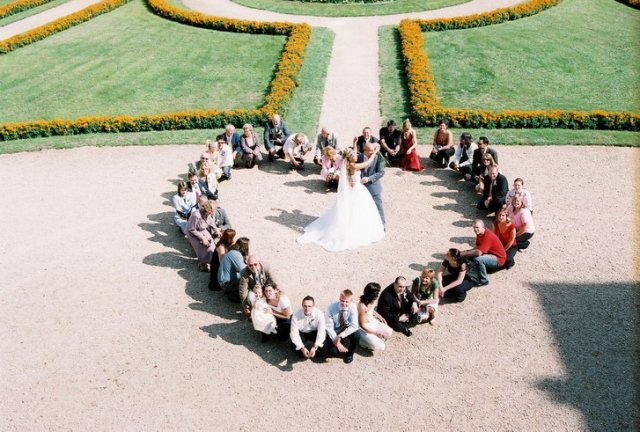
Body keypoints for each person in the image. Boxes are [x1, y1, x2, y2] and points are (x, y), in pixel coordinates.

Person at [297, 147, 384, 251]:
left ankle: (354, 226)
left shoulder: (347, 163)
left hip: (353, 188)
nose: (357, 156)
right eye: (354, 155)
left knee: (353, 210)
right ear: (350, 158)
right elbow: (367, 163)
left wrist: (354, 143)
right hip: (357, 189)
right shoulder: (353, 165)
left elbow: (352, 157)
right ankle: (353, 229)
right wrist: (374, 153)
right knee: (356, 209)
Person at [461, 220, 507, 286]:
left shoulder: (488, 236)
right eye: (474, 227)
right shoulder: (479, 233)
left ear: (483, 227)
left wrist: (465, 253)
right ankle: (471, 270)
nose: (475, 229)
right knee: (468, 254)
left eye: (477, 227)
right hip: (489, 254)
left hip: (499, 259)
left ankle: (484, 280)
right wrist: (466, 252)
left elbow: (479, 253)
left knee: (478, 259)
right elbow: (477, 247)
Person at [325, 289, 361, 364]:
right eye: (342, 301)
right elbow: (329, 327)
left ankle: (350, 354)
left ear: (351, 301)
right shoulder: (331, 307)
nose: (344, 303)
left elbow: (354, 326)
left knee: (357, 335)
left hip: (346, 329)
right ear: (339, 298)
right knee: (332, 352)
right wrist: (337, 343)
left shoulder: (352, 307)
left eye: (347, 302)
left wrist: (341, 336)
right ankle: (334, 343)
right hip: (335, 330)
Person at [357, 282, 393, 352]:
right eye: (377, 293)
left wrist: (379, 316)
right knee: (381, 346)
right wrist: (376, 333)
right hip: (363, 327)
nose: (378, 294)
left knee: (389, 332)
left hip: (372, 321)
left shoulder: (371, 300)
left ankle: (373, 338)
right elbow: (362, 325)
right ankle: (362, 342)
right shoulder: (362, 306)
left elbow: (371, 310)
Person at [360, 141, 386, 226]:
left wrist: (369, 178)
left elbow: (381, 172)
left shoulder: (379, 158)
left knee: (378, 206)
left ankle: (382, 224)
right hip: (361, 188)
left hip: (374, 187)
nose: (372, 152)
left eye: (373, 150)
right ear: (365, 150)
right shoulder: (359, 157)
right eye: (370, 151)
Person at [186, 200, 217, 272]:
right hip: (193, 233)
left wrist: (216, 229)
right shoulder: (196, 215)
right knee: (203, 247)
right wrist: (202, 238)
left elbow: (211, 222)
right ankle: (202, 263)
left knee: (212, 246)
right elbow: (192, 229)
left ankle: (210, 261)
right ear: (207, 210)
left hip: (202, 229)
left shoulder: (209, 214)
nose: (213, 213)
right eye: (212, 211)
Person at [218, 237, 250, 301]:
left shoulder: (232, 252)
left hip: (222, 280)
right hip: (226, 284)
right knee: (249, 281)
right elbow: (244, 271)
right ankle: (235, 294)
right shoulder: (236, 255)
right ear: (244, 246)